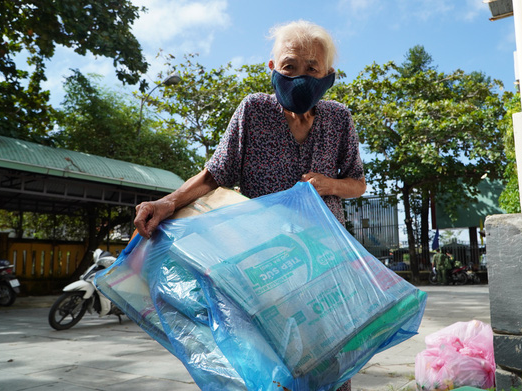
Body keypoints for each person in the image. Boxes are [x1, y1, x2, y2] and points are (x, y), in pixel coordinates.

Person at [134, 20, 366, 391]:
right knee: (267, 366)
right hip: (262, 263)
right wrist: (167, 202)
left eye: (312, 69)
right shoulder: (254, 111)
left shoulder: (339, 118)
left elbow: (358, 182)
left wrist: (329, 185)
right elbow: (216, 173)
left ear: (328, 76)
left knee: (328, 364)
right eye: (290, 66)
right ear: (272, 69)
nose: (300, 77)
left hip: (322, 263)